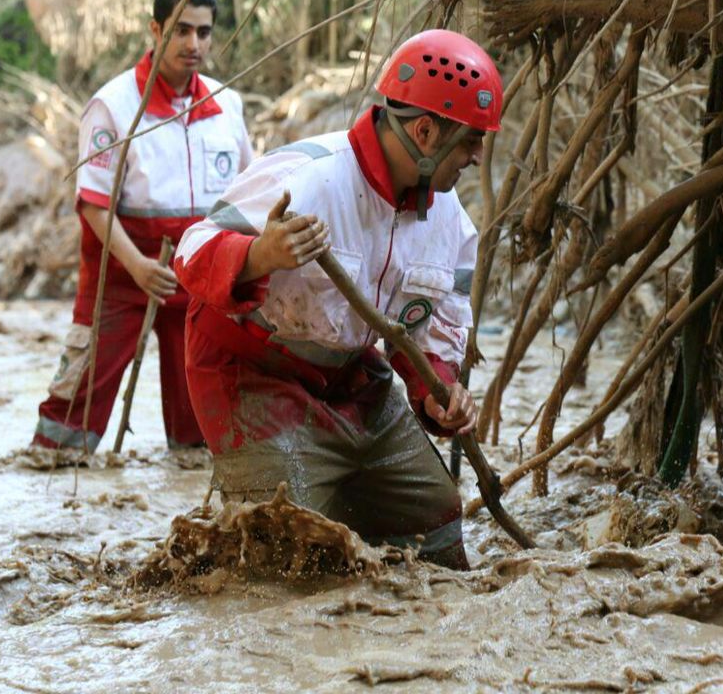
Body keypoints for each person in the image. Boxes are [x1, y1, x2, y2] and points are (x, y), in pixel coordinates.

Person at [174, 29, 502, 570]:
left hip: (349, 377)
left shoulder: (452, 227)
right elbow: (192, 250)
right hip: (251, 373)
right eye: (469, 141)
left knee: (436, 516)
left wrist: (439, 395)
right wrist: (261, 254)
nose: (476, 156)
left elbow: (427, 338)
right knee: (292, 545)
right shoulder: (306, 175)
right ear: (425, 131)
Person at [31, 0, 253, 452]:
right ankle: (51, 476)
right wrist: (137, 267)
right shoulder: (113, 106)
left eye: (204, 32)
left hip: (196, 278)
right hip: (121, 273)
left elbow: (247, 192)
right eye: (181, 30)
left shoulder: (227, 105)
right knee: (70, 422)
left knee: (199, 430)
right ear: (156, 29)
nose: (194, 44)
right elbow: (93, 202)